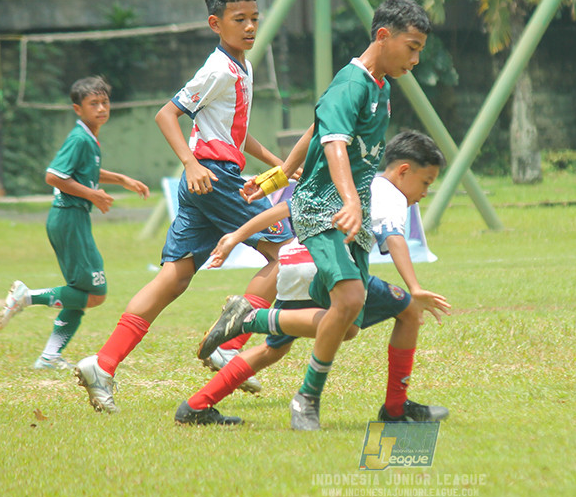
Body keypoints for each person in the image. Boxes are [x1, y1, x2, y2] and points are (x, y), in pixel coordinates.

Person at [73, 0, 293, 413]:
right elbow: (167, 114)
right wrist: (191, 165)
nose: (249, 27)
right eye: (238, 19)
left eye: (254, 17)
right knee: (286, 256)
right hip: (214, 177)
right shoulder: (217, 68)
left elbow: (237, 132)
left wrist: (280, 164)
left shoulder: (241, 65)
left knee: (174, 277)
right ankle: (229, 344)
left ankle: (103, 363)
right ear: (216, 23)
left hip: (209, 179)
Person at [175, 129, 451, 427]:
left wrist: (236, 236)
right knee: (397, 312)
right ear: (404, 170)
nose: (424, 194)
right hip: (324, 267)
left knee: (273, 349)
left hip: (293, 262)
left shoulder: (350, 184)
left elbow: (288, 208)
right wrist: (415, 287)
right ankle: (396, 407)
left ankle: (195, 406)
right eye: (425, 183)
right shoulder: (390, 193)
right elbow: (395, 237)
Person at [0, 76, 150, 369]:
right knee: (95, 294)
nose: (102, 108)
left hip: (71, 219)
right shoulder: (79, 138)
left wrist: (121, 179)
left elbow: (85, 171)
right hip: (69, 218)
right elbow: (53, 176)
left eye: (105, 102)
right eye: (94, 104)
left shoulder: (88, 137)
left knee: (80, 294)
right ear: (77, 108)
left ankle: (49, 357)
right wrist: (93, 195)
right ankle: (26, 297)